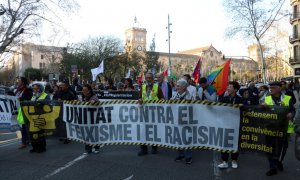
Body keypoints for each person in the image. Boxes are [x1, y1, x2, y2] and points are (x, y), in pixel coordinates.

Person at [263, 81, 295, 176]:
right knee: (270, 148)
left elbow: (293, 110)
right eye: (270, 88)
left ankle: (279, 160)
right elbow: (260, 111)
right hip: (270, 128)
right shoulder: (267, 99)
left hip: (283, 128)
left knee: (283, 147)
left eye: (273, 87)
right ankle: (272, 167)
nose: (271, 89)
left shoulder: (286, 98)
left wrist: (291, 114)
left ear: (279, 88)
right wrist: (262, 107)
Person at [138, 72, 164, 156]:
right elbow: (140, 98)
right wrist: (139, 101)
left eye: (150, 78)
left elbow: (162, 98)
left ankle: (154, 147)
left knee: (153, 130)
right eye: (147, 78)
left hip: (154, 113)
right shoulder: (142, 87)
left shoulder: (157, 87)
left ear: (153, 79)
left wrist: (161, 101)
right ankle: (143, 149)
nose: (148, 79)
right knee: (143, 131)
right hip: (144, 113)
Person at [218, 81, 243, 169]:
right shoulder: (224, 99)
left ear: (235, 89)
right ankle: (224, 161)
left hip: (236, 126)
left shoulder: (240, 100)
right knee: (224, 142)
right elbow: (218, 109)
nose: (228, 88)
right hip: (225, 125)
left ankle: (234, 160)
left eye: (230, 87)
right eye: (228, 87)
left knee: (235, 143)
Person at [172, 79, 195, 164]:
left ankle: (189, 156)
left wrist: (190, 102)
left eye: (178, 86)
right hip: (177, 120)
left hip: (187, 121)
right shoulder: (174, 95)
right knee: (178, 138)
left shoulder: (189, 95)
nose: (176, 87)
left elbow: (195, 105)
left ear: (184, 87)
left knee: (186, 138)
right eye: (176, 85)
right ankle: (181, 155)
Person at [29, 83, 50, 153]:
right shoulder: (33, 96)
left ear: (39, 89)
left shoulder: (46, 96)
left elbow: (48, 105)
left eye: (35, 88)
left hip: (41, 116)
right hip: (33, 117)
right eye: (33, 88)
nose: (34, 90)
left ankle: (42, 147)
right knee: (33, 133)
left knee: (40, 133)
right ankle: (35, 147)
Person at [81, 84, 101, 154]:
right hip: (86, 118)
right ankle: (88, 149)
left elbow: (97, 103)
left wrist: (94, 102)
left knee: (94, 133)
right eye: (83, 90)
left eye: (85, 90)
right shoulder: (84, 97)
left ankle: (96, 147)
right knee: (87, 133)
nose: (83, 91)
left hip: (93, 118)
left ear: (89, 90)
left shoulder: (94, 97)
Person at [15, 77, 33, 149]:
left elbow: (29, 99)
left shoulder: (27, 90)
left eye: (19, 81)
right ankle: (27, 140)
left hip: (25, 110)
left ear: (23, 82)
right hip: (19, 111)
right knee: (24, 126)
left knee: (24, 127)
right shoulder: (18, 90)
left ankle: (24, 142)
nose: (18, 82)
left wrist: (21, 99)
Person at [57, 79, 77, 144]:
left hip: (68, 111)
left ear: (67, 86)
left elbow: (73, 102)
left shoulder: (70, 93)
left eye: (63, 86)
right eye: (61, 86)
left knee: (67, 124)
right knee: (62, 123)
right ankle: (63, 136)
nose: (62, 87)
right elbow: (56, 98)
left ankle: (68, 137)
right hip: (61, 110)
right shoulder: (60, 91)